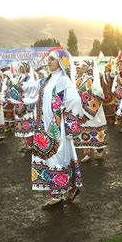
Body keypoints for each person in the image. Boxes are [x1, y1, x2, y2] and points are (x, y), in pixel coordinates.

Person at [28, 49, 84, 208]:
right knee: (52, 157)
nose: (49, 62)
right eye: (48, 59)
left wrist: (63, 118)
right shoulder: (47, 80)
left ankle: (59, 193)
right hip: (44, 127)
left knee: (58, 157)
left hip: (57, 127)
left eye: (52, 59)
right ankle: (64, 190)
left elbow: (75, 101)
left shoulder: (63, 81)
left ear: (61, 61)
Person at [74, 61, 107, 162]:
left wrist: (89, 108)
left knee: (95, 129)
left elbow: (99, 94)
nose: (80, 67)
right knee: (84, 131)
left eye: (83, 65)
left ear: (89, 68)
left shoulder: (92, 80)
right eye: (79, 66)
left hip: (94, 111)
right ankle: (87, 154)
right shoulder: (78, 80)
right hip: (81, 111)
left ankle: (99, 150)